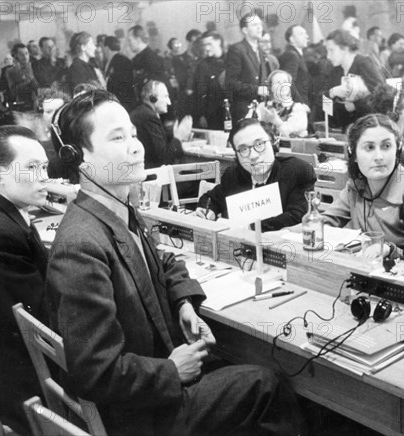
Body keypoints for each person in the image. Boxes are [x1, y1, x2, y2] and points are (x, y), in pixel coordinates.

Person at [46, 89, 305, 436]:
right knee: (267, 382)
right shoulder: (80, 245)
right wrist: (171, 371)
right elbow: (93, 372)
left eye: (133, 135)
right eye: (117, 138)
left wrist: (183, 302)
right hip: (143, 418)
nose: (136, 147)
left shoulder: (117, 210)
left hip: (153, 388)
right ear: (77, 156)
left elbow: (163, 259)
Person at [0, 125, 50, 435]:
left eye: (44, 167)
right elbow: (38, 315)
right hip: (23, 389)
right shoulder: (2, 234)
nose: (44, 177)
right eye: (31, 167)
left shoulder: (10, 216)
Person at [320, 114, 404, 254]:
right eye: (369, 147)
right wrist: (285, 232)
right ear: (352, 153)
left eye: (386, 146)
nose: (379, 157)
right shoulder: (356, 185)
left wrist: (389, 250)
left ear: (398, 149)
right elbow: (324, 222)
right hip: (360, 268)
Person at [195, 118, 316, 231]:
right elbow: (212, 198)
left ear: (273, 143)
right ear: (236, 155)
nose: (253, 156)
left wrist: (250, 226)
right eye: (243, 149)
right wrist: (208, 210)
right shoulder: (233, 174)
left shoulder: (297, 171)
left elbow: (296, 217)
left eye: (259, 144)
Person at [326, 29, 385, 129]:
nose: (328, 56)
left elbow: (382, 94)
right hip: (348, 127)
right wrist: (332, 93)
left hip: (371, 126)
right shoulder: (336, 71)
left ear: (344, 48)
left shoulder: (364, 63)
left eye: (331, 50)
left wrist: (356, 105)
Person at [130, 79, 192, 168]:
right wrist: (178, 138)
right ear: (153, 98)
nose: (169, 102)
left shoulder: (143, 112)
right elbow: (164, 158)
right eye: (166, 96)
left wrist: (174, 135)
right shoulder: (149, 117)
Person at [225, 13, 272, 122]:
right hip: (244, 109)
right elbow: (230, 83)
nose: (260, 27)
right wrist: (257, 90)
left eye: (260, 24)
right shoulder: (237, 50)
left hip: (261, 109)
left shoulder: (261, 51)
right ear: (245, 30)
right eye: (255, 25)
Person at [248, 70, 309, 138]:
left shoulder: (297, 108)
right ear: (270, 87)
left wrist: (276, 121)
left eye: (285, 82)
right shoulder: (262, 107)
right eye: (278, 82)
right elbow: (248, 129)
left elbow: (291, 134)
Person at [194, 30, 227, 130]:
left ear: (218, 42)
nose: (207, 48)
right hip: (213, 115)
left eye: (209, 44)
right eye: (204, 45)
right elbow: (200, 92)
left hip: (232, 111)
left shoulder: (232, 60)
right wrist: (202, 115)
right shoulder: (203, 66)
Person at [102, 36, 136, 112]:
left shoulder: (121, 61)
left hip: (124, 104)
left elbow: (122, 85)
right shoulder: (118, 60)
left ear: (106, 48)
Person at [65, 32, 104, 96]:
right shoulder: (77, 68)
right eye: (91, 44)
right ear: (83, 47)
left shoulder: (89, 66)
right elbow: (81, 96)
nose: (94, 47)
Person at [279, 25, 311, 106]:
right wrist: (301, 104)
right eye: (301, 34)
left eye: (306, 33)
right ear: (292, 39)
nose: (307, 36)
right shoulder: (292, 55)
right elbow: (289, 83)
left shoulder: (295, 54)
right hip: (297, 105)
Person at [4, 43, 39, 110]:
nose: (25, 56)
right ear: (16, 56)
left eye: (26, 53)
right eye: (21, 54)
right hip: (22, 106)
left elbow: (39, 87)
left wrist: (32, 78)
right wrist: (28, 80)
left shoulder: (36, 67)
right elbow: (13, 91)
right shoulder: (10, 71)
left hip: (38, 104)